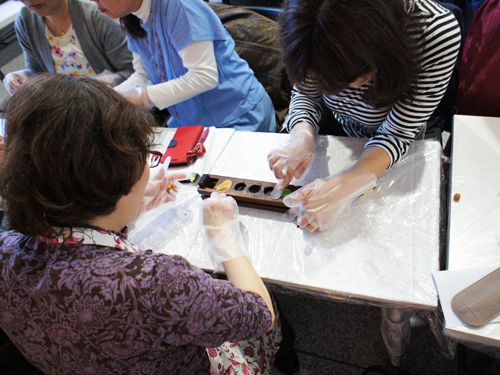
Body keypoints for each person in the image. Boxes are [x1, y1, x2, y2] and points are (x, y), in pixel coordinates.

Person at [0, 74, 281, 374]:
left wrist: (130, 207)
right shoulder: (158, 283)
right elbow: (258, 315)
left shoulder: (6, 251)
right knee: (272, 304)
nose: (148, 167)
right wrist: (226, 240)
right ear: (114, 180)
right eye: (144, 158)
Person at [268, 0, 461, 232]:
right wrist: (302, 137)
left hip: (398, 143)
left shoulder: (434, 32)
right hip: (342, 133)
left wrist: (349, 183)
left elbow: (396, 133)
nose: (340, 90)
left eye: (352, 77)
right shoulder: (308, 17)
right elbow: (306, 93)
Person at [92, 0, 276, 132]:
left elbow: (204, 77)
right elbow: (144, 76)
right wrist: (107, 98)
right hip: (193, 122)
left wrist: (142, 97)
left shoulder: (179, 5)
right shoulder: (132, 17)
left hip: (238, 115)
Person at [3, 0, 133, 95]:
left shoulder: (96, 14)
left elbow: (134, 72)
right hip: (68, 109)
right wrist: (19, 77)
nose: (30, 1)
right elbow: (38, 72)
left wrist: (106, 82)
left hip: (112, 102)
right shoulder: (26, 19)